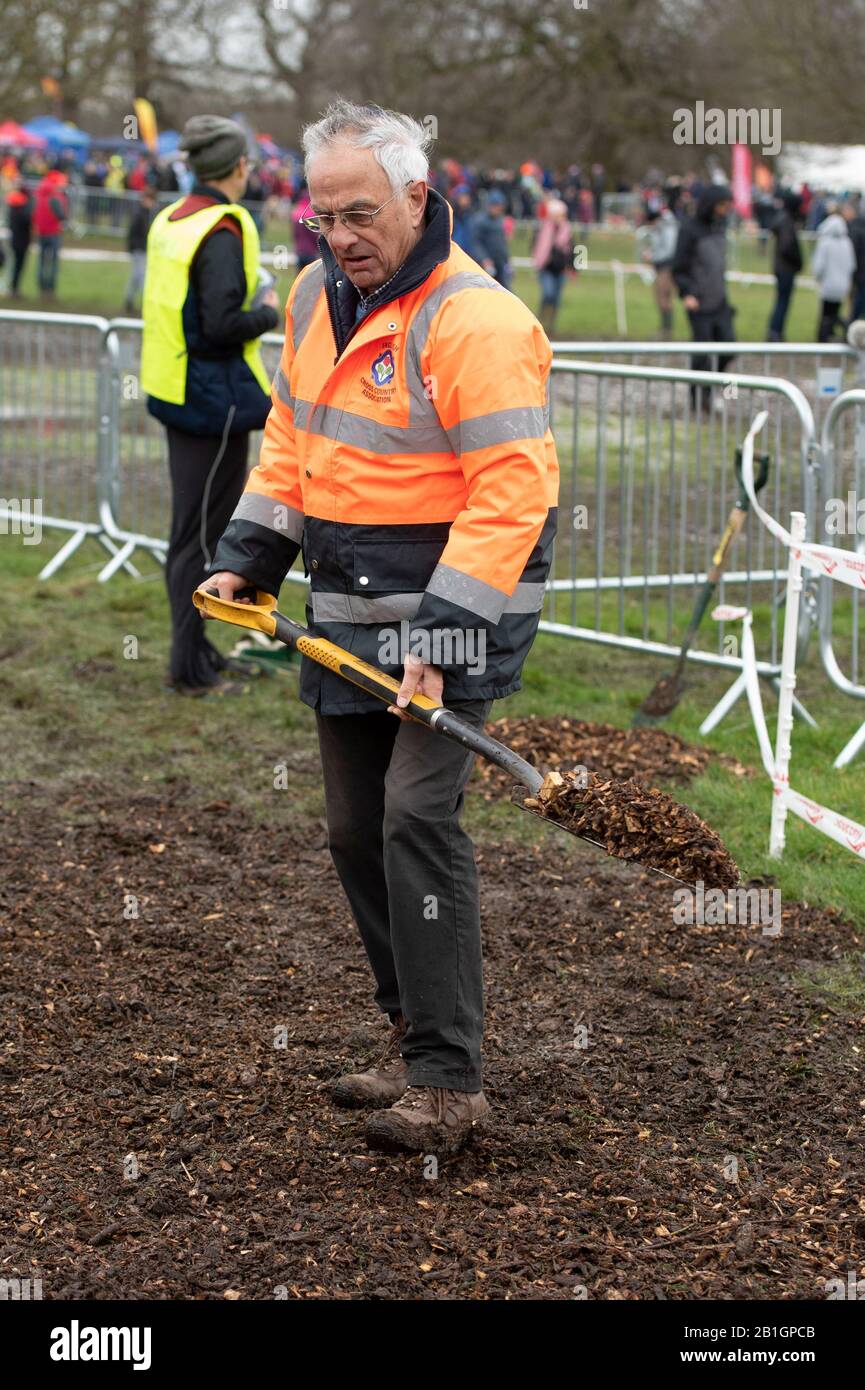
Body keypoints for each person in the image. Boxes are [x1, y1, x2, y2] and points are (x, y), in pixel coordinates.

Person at [203, 99, 559, 1154]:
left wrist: (443, 638)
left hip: (454, 617)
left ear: (416, 196)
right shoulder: (316, 296)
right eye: (321, 218)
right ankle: (410, 1035)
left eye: (359, 213)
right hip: (348, 608)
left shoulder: (478, 321)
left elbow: (510, 492)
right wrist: (247, 556)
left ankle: (451, 1079)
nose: (339, 237)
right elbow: (289, 442)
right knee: (354, 827)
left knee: (415, 816)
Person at [141, 115, 280, 696]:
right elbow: (222, 324)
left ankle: (198, 650)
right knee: (201, 539)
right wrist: (269, 310)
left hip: (177, 392)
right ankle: (188, 668)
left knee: (193, 533)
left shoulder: (172, 218)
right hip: (211, 402)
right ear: (239, 167)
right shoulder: (222, 228)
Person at [672, 184, 736, 409]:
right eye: (722, 205)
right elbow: (678, 267)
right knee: (702, 355)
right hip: (698, 303)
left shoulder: (720, 227)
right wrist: (687, 292)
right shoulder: (689, 229)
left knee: (729, 347)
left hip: (719, 300)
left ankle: (711, 387)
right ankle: (697, 398)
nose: (726, 209)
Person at [811, 205, 856, 343]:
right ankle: (832, 333)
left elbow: (819, 265)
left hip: (828, 284)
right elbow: (852, 265)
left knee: (826, 313)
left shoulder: (825, 243)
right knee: (834, 312)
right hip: (842, 284)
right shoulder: (847, 242)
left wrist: (818, 278)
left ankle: (822, 337)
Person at [533, 196, 573, 335]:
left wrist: (574, 268)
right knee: (548, 293)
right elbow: (535, 247)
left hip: (561, 270)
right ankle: (541, 319)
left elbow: (576, 249)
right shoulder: (543, 229)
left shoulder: (567, 230)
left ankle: (551, 325)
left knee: (556, 298)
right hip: (546, 268)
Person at [767, 191, 803, 342]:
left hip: (782, 267)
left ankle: (775, 331)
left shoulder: (783, 219)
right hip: (786, 268)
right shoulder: (786, 221)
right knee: (782, 301)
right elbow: (787, 247)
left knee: (781, 301)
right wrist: (798, 261)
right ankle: (775, 332)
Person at [638, 204, 679, 337]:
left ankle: (666, 330)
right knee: (661, 298)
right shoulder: (662, 228)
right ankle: (666, 329)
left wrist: (652, 256)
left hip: (666, 267)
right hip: (661, 267)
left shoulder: (667, 228)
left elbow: (669, 250)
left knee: (663, 298)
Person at [32, 167, 68, 297]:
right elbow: (60, 215)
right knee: (53, 263)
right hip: (53, 232)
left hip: (41, 232)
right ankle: (50, 288)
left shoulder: (39, 195)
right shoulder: (55, 197)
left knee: (41, 261)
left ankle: (41, 287)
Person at [123, 186, 155, 314]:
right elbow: (132, 232)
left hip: (143, 248)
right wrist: (132, 247)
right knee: (141, 276)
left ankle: (129, 300)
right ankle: (145, 303)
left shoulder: (147, 214)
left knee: (136, 277)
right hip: (139, 249)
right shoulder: (139, 214)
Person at [472, 188, 511, 286]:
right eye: (496, 205)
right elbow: (476, 243)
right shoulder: (479, 221)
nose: (498, 208)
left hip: (500, 264)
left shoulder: (500, 221)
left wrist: (507, 261)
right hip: (486, 265)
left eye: (500, 206)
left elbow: (502, 243)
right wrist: (484, 259)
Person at [5, 178, 33, 296]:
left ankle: (13, 287)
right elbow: (27, 221)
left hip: (15, 239)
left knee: (15, 264)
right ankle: (14, 288)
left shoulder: (12, 206)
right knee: (18, 265)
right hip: (21, 240)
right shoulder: (23, 207)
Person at [843, 200, 865, 324]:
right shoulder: (857, 226)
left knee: (858, 299)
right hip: (859, 270)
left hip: (859, 270)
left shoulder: (854, 228)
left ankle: (852, 322)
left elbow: (852, 252)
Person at [291, 186, 320, 272]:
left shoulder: (296, 213)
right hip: (310, 251)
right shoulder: (311, 215)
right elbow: (314, 235)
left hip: (299, 249)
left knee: (300, 276)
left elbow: (295, 234)